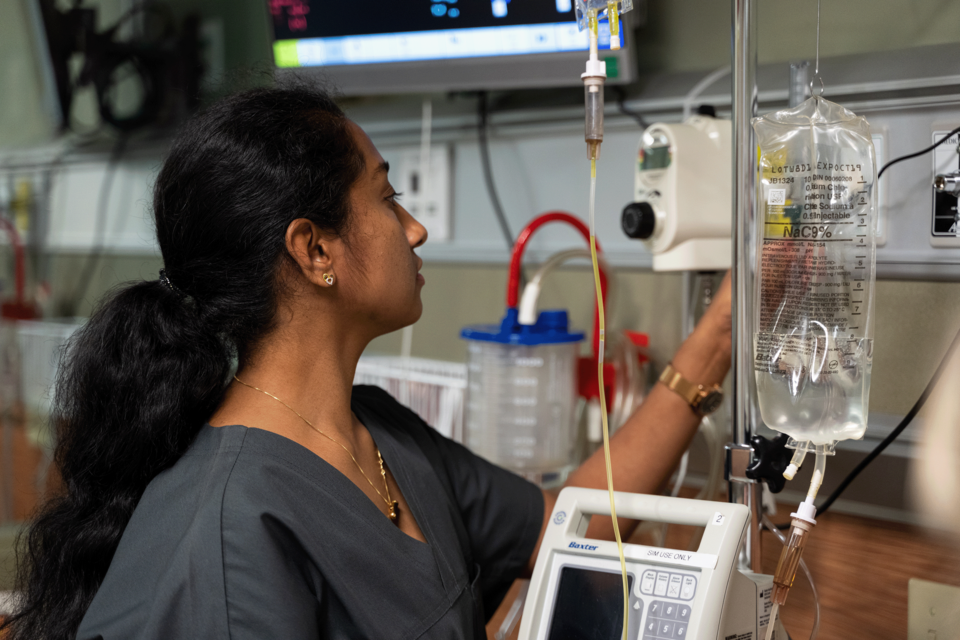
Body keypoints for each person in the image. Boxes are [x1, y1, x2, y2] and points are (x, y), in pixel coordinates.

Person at [1, 86, 731, 640]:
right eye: (387, 197)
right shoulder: (230, 538)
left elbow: (571, 526)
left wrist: (717, 338)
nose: (414, 227)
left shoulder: (382, 434)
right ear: (314, 251)